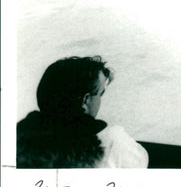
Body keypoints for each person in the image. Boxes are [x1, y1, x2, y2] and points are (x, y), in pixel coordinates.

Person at [16, 56, 149, 168]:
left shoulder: (19, 134)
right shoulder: (111, 140)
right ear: (85, 100)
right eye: (100, 94)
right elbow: (139, 162)